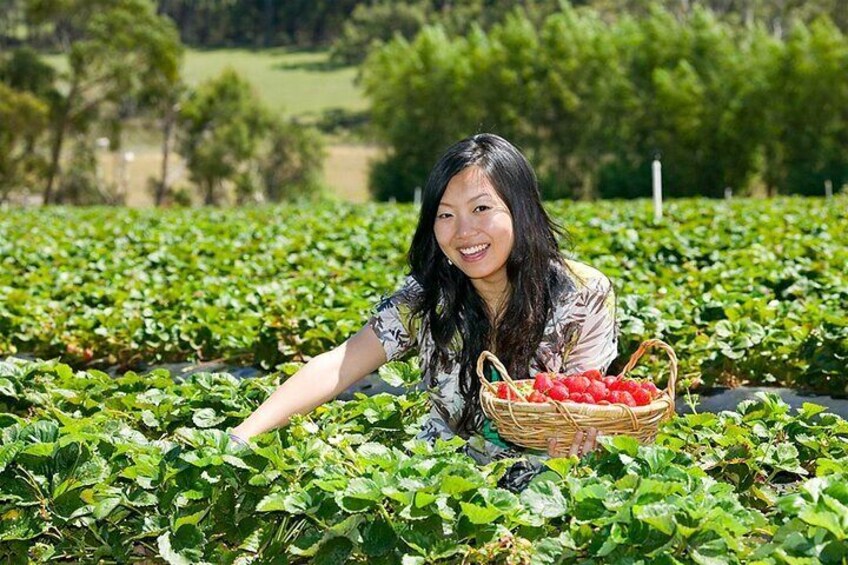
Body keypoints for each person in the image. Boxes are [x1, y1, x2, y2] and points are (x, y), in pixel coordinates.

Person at [230, 133, 618, 491]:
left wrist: (579, 437)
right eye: (446, 214)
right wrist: (241, 438)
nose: (463, 232)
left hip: (544, 481)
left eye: (481, 208)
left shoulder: (582, 294)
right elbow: (339, 365)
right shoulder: (427, 297)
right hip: (435, 481)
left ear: (521, 210)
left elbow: (580, 401)